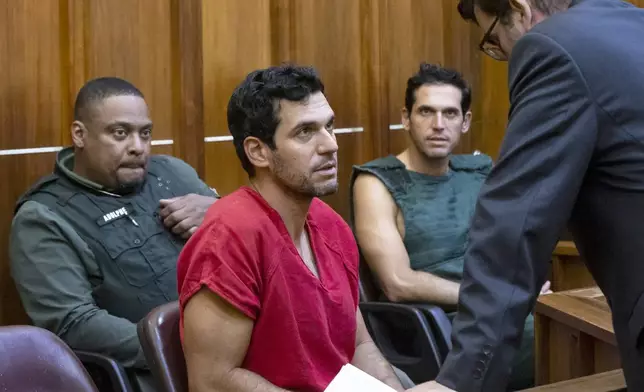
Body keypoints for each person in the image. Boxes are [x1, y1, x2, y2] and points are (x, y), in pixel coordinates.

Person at [410, 0, 644, 391]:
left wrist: (461, 381)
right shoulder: (629, 19)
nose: (500, 55)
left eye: (494, 41)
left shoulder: (552, 47)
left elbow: (515, 225)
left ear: (519, 9)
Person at [177, 64, 406, 392]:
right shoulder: (228, 237)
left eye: (329, 126)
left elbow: (359, 347)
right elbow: (212, 382)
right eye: (305, 132)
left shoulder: (331, 224)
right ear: (259, 152)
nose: (330, 145)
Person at [10, 77, 218, 389]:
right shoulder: (43, 217)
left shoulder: (173, 173)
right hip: (160, 372)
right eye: (120, 133)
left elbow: (253, 247)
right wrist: (188, 347)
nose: (138, 147)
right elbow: (74, 324)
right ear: (80, 134)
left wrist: (219, 211)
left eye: (145, 133)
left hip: (237, 345)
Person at [351, 63, 550, 390]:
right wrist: (496, 297)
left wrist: (524, 286)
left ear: (465, 121)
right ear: (406, 117)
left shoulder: (478, 171)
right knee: (562, 343)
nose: (438, 125)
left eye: (450, 113)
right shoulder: (377, 181)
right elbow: (398, 283)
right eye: (426, 112)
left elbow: (515, 236)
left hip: (504, 305)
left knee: (578, 329)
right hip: (447, 323)